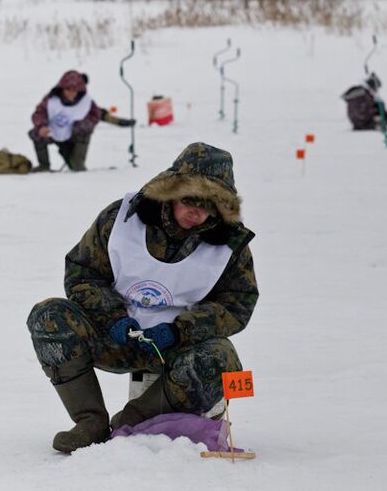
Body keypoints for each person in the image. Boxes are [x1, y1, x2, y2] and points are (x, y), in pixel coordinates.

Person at [26, 142, 259, 453]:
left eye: (208, 204)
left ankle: (131, 422)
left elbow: (237, 305)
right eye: (189, 199)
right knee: (48, 316)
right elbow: (83, 272)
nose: (196, 211)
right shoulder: (120, 219)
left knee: (223, 359)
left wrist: (180, 330)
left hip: (175, 349)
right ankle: (90, 421)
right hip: (114, 336)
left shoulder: (230, 245)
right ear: (171, 191)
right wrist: (113, 319)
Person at [28, 70, 101, 172]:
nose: (70, 92)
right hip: (53, 132)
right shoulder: (50, 100)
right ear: (61, 88)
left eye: (74, 89)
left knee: (77, 168)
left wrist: (85, 125)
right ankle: (44, 165)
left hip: (75, 135)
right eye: (67, 89)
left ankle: (77, 163)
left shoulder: (87, 101)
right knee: (36, 133)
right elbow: (39, 113)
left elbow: (95, 115)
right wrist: (42, 126)